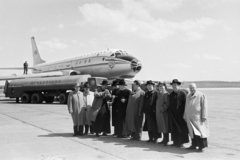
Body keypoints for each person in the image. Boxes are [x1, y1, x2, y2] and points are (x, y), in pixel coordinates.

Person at [184, 83, 209, 152]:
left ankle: (201, 146)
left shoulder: (201, 95)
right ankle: (193, 145)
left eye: (193, 87)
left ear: (196, 87)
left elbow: (204, 107)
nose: (192, 89)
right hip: (190, 117)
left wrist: (204, 116)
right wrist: (185, 115)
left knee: (200, 132)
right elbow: (186, 106)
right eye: (190, 88)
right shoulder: (188, 96)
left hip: (197, 118)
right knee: (192, 132)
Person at [168, 79, 189, 147]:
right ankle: (175, 142)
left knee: (181, 128)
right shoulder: (171, 94)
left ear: (178, 85)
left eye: (176, 85)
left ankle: (181, 142)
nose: (174, 86)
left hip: (180, 115)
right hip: (173, 115)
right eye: (173, 85)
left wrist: (184, 114)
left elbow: (186, 104)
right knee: (174, 128)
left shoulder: (183, 93)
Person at [156, 81, 170, 146]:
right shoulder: (159, 94)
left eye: (162, 86)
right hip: (159, 113)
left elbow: (167, 103)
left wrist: (162, 109)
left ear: (165, 86)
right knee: (162, 126)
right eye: (159, 86)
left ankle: (166, 140)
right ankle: (164, 139)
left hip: (163, 113)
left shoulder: (166, 94)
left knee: (165, 126)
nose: (160, 87)